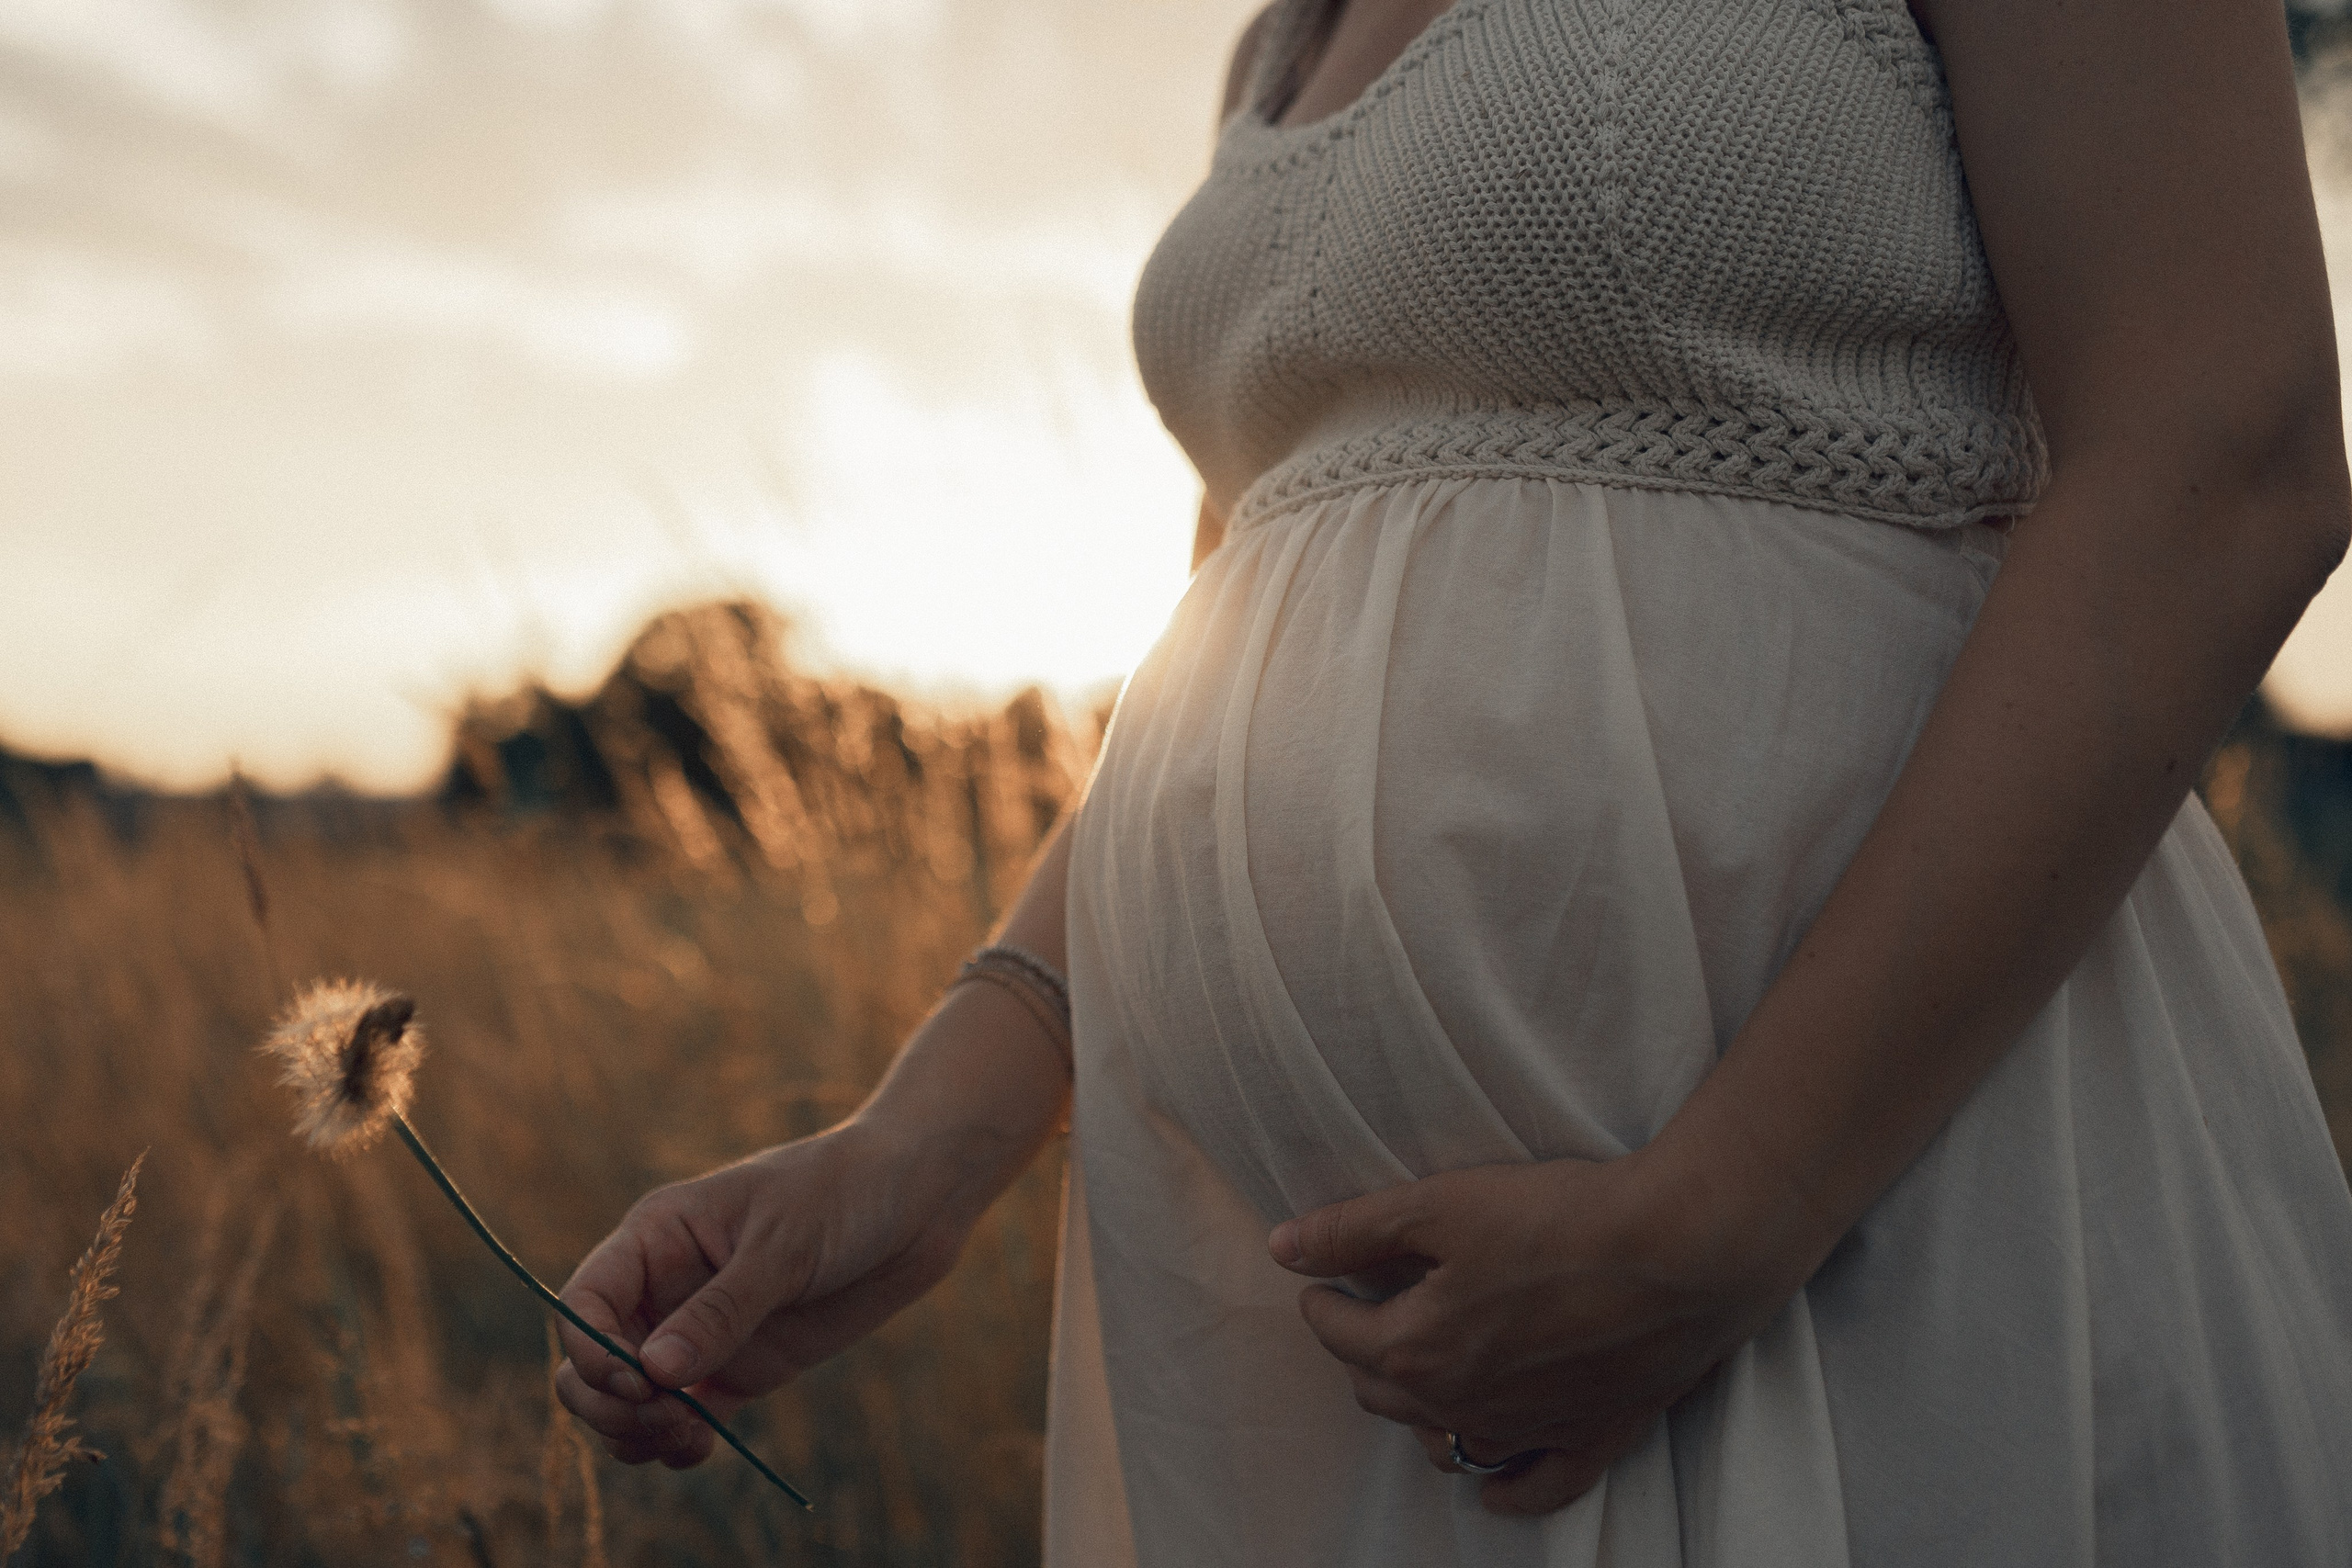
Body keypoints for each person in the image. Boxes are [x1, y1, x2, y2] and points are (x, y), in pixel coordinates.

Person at [555, 0, 2352, 1562]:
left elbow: (2227, 445)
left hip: (1872, 1232)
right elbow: (1231, 654)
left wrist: (1728, 1212)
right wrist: (925, 1138)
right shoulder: (1285, 38)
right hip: (1326, 1366)